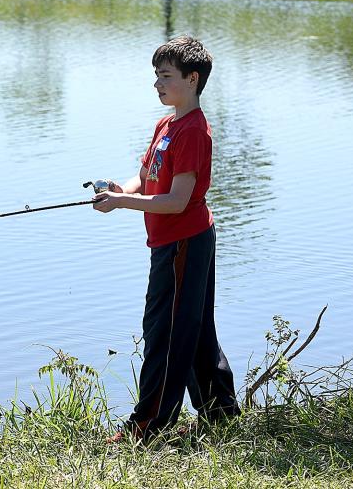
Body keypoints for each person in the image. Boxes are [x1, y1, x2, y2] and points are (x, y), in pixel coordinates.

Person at [92, 34, 240, 443]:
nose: (157, 84)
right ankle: (221, 413)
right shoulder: (167, 124)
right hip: (176, 243)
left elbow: (176, 201)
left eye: (166, 76)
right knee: (192, 329)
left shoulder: (193, 131)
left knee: (165, 331)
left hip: (184, 243)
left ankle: (149, 425)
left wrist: (122, 203)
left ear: (192, 79)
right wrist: (116, 189)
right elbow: (145, 178)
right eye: (156, 76)